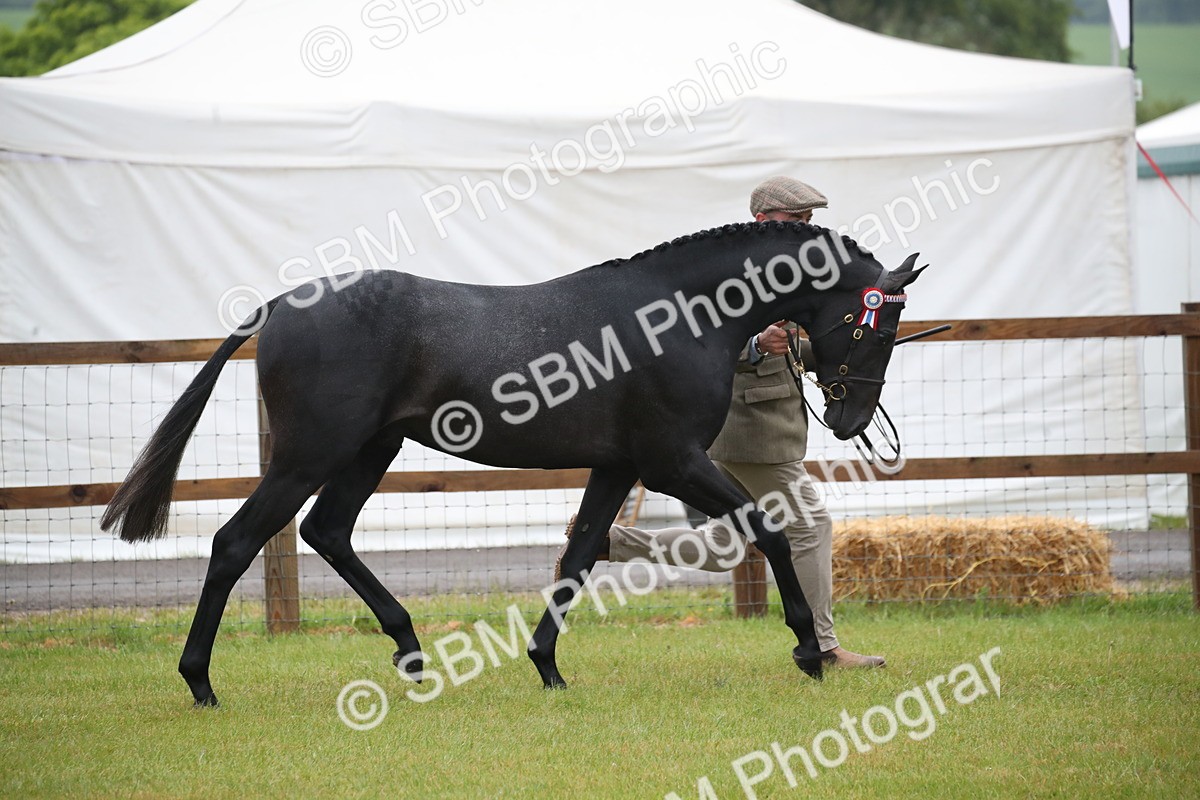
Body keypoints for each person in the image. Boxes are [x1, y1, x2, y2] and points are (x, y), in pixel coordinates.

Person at [560, 176, 884, 669]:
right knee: (810, 525)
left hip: (758, 428)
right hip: (751, 431)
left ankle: (611, 541)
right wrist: (755, 347)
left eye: (810, 221)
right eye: (797, 221)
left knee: (722, 547)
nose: (807, 229)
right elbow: (692, 352)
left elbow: (795, 347)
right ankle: (823, 647)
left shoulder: (788, 273)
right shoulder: (734, 276)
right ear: (764, 220)